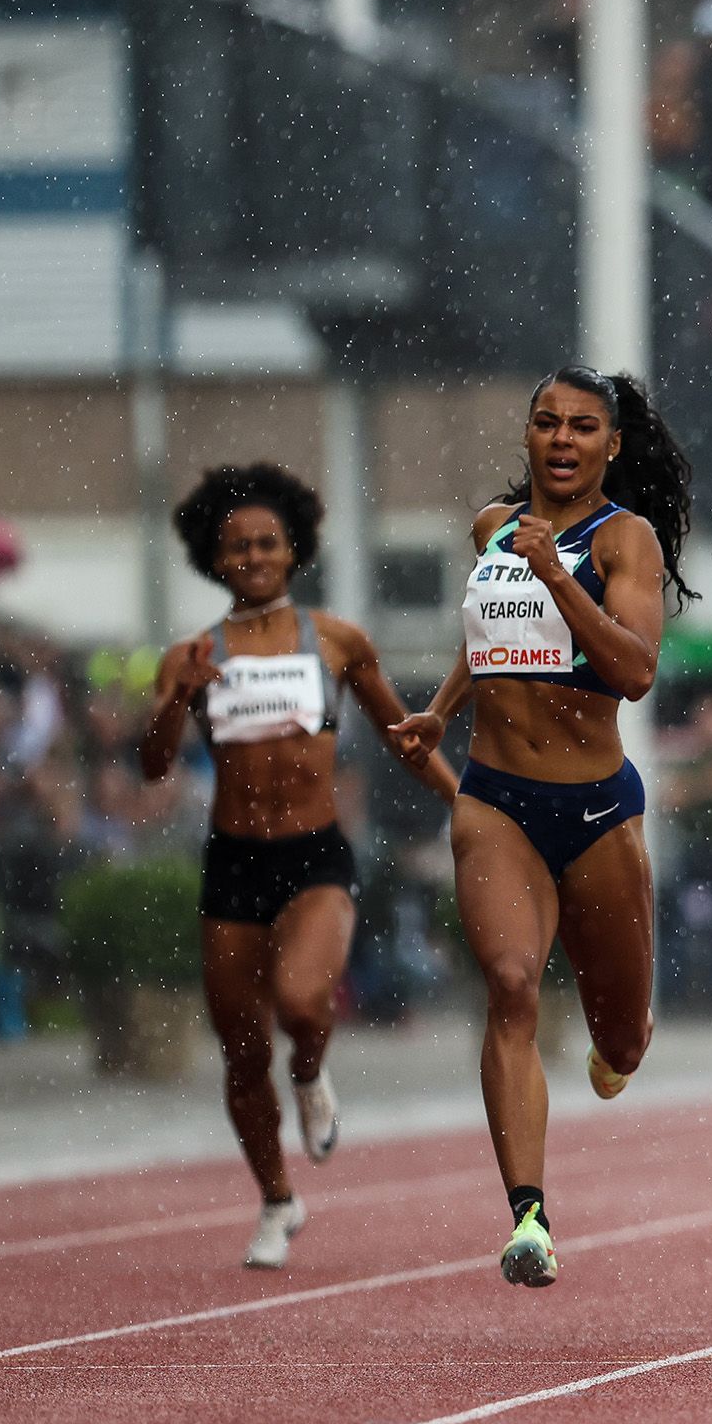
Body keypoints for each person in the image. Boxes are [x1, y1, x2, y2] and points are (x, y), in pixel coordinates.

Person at [387, 370, 696, 1287]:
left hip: (595, 807)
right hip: (495, 799)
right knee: (512, 987)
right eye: (547, 423)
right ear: (527, 435)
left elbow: (634, 669)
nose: (562, 439)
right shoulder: (491, 526)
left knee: (624, 1038)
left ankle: (619, 1046)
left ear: (610, 447)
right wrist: (442, 708)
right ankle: (530, 1218)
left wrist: (559, 573)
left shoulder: (624, 540)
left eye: (583, 428)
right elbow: (491, 631)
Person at [141, 464, 457, 1269]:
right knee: (242, 1050)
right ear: (215, 559)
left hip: (315, 851)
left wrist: (466, 804)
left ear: (294, 550)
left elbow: (404, 738)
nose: (252, 557)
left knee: (302, 1002)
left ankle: (312, 1075)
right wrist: (176, 698)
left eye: (267, 543)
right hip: (234, 859)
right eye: (237, 546)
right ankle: (278, 1201)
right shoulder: (191, 653)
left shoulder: (338, 641)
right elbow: (152, 766)